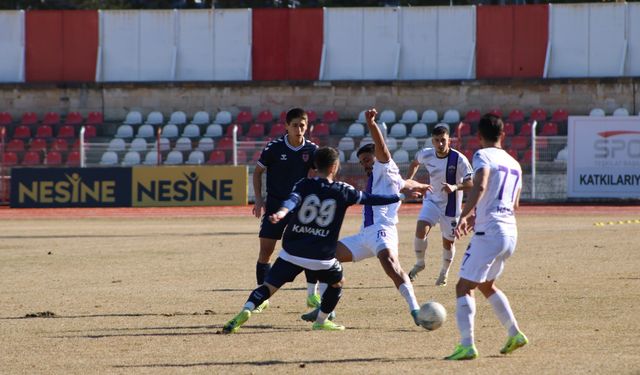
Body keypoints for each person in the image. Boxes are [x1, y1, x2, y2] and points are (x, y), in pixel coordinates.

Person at [222, 147, 420, 333]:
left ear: (315, 166)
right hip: (321, 256)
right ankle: (322, 321)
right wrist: (400, 196)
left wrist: (281, 213)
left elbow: (291, 201)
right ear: (335, 167)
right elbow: (372, 199)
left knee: (268, 287)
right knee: (338, 282)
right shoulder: (343, 190)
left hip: (291, 251)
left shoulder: (304, 184)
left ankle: (247, 309)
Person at [304, 108, 433, 326]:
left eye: (367, 159)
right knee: (324, 255)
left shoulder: (384, 165)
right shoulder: (384, 175)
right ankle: (326, 311)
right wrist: (420, 185)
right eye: (362, 161)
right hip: (365, 235)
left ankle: (415, 310)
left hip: (383, 229)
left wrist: (371, 124)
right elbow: (404, 183)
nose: (365, 164)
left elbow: (382, 148)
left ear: (377, 157)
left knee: (390, 263)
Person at [445, 114, 528, 360]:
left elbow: (480, 186)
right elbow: (515, 204)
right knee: (484, 284)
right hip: (509, 232)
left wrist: (463, 215)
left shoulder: (482, 156)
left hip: (490, 232)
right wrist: (476, 217)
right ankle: (515, 333)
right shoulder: (515, 163)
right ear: (503, 135)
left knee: (463, 286)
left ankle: (467, 344)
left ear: (479, 137)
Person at [252, 108, 320, 313]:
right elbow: (257, 172)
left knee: (309, 249)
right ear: (286, 127)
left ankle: (312, 295)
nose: (299, 129)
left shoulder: (312, 149)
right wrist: (258, 199)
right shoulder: (274, 148)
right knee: (266, 251)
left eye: (303, 125)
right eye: (295, 125)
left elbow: (319, 175)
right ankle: (262, 296)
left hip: (301, 209)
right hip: (274, 206)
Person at [405, 123, 473, 286]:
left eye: (443, 140)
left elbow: (471, 182)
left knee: (448, 243)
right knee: (421, 229)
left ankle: (444, 272)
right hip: (432, 200)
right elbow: (415, 162)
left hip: (451, 206)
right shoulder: (426, 154)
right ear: (432, 141)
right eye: (437, 140)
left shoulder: (459, 159)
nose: (440, 144)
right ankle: (420, 263)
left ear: (449, 140)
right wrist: (411, 183)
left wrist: (455, 186)